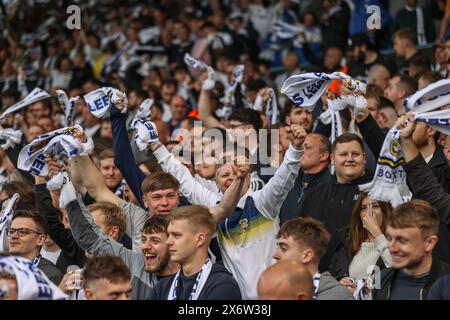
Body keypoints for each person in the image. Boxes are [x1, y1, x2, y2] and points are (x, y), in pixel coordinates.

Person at [298, 133, 373, 271]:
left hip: (358, 276)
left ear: (364, 157)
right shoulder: (315, 193)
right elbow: (303, 235)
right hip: (317, 275)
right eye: (343, 154)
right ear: (332, 159)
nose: (349, 159)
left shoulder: (376, 192)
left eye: (355, 154)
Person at [149, 205, 242, 300]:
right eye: (169, 235)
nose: (168, 241)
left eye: (176, 235)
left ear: (200, 239)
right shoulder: (162, 288)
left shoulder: (223, 286)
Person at [372, 199, 450, 300]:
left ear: (429, 243)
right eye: (389, 238)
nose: (392, 248)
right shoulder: (380, 280)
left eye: (402, 240)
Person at [273, 217, 353, 300]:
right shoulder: (269, 293)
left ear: (307, 256)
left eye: (283, 248)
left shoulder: (339, 297)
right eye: (277, 247)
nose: (275, 255)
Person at [330, 192, 392, 293]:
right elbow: (331, 274)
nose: (369, 213)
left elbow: (396, 269)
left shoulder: (395, 243)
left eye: (375, 206)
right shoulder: (347, 241)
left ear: (385, 210)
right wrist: (340, 281)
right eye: (363, 208)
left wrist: (377, 233)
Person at [279, 133, 331, 225]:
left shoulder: (332, 189)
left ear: (323, 155)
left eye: (307, 147)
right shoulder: (290, 180)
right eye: (300, 147)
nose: (301, 150)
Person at [7, 211, 63, 285]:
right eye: (11, 231)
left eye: (23, 232)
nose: (13, 236)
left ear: (40, 240)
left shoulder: (50, 275)